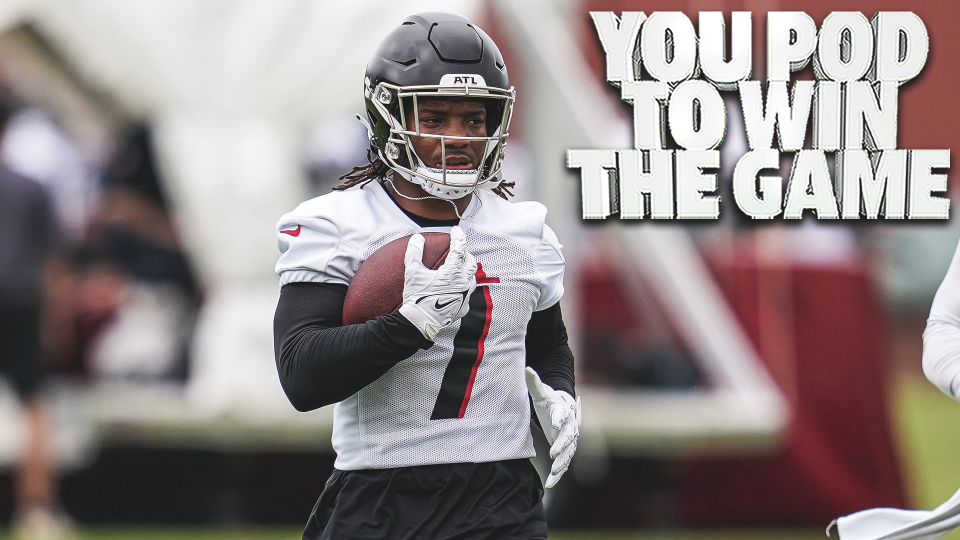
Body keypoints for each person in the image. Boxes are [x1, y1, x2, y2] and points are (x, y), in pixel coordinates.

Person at [273, 12, 580, 540]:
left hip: (502, 496)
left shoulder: (525, 229)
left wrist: (560, 391)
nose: (458, 137)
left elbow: (547, 343)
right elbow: (301, 375)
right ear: (386, 117)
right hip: (383, 495)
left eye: (474, 120)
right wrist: (409, 326)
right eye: (434, 117)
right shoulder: (339, 224)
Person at [0, 98, 73, 540]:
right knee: (32, 406)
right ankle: (36, 509)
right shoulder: (29, 186)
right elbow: (54, 263)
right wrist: (57, 319)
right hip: (23, 301)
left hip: (18, 297)